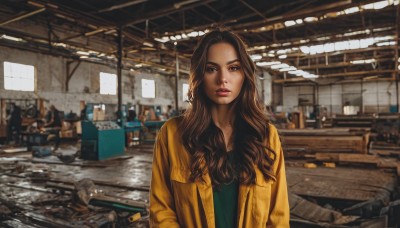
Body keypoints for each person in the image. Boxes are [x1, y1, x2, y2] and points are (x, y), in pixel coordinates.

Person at [150, 28, 289, 227]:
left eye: (233, 68)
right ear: (199, 76)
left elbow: (278, 217)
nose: (222, 79)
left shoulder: (266, 135)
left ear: (244, 75)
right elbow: (161, 211)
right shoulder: (172, 134)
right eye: (211, 69)